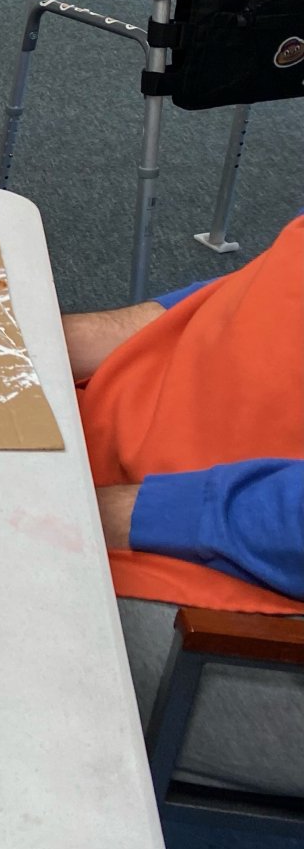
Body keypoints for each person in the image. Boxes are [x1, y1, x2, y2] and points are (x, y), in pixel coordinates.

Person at [67, 214, 304, 797]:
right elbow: (268, 290)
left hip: (232, 594)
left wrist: (108, 512)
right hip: (145, 479)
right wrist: (70, 339)